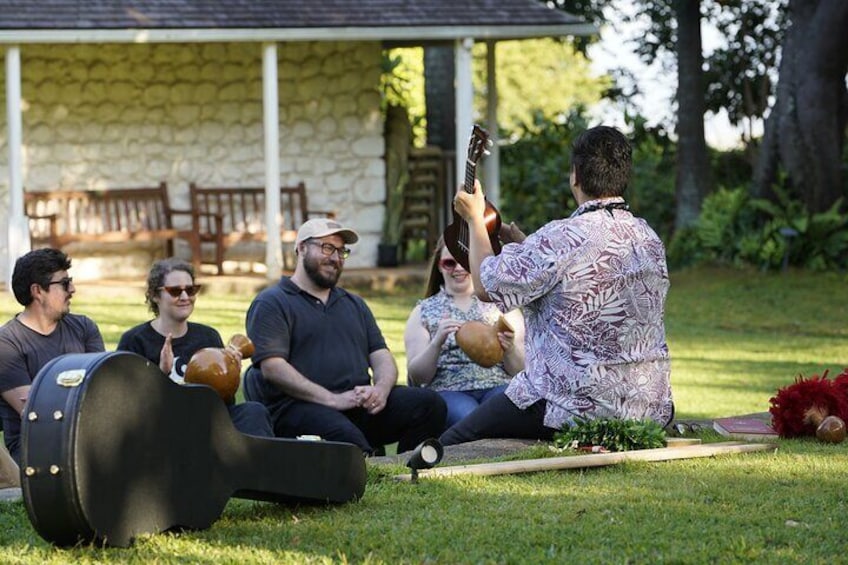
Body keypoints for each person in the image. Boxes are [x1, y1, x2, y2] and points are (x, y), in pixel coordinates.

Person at [440, 125, 674, 446]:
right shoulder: (649, 238)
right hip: (647, 407)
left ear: (575, 175)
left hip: (571, 406)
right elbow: (581, 277)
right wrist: (526, 247)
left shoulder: (561, 238)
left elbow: (484, 285)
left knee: (455, 439)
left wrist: (475, 219)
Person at [243, 218, 446, 455]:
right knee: (352, 447)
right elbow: (273, 367)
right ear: (301, 248)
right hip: (300, 407)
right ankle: (368, 461)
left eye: (341, 251)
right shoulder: (273, 302)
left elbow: (382, 357)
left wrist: (380, 390)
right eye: (327, 247)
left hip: (356, 404)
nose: (335, 257)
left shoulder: (354, 304)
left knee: (430, 405)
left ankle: (408, 467)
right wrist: (332, 399)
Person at [118, 258, 273, 437]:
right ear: (154, 295)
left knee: (254, 412)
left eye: (190, 290)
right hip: (163, 425)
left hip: (207, 421)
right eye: (175, 291)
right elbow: (127, 405)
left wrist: (230, 376)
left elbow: (224, 403)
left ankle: (258, 464)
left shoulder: (208, 336)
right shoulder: (135, 340)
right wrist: (162, 374)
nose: (185, 297)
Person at [404, 237, 525, 430]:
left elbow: (521, 371)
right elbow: (418, 376)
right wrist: (436, 343)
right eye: (450, 263)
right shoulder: (424, 311)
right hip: (449, 389)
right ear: (439, 266)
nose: (459, 268)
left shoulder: (501, 305)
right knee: (469, 417)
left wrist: (509, 349)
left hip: (497, 383)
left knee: (505, 408)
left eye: (466, 261)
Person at [0, 248, 105, 463]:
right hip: (36, 448)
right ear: (38, 291)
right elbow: (38, 415)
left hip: (89, 439)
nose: (73, 289)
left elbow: (103, 391)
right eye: (65, 283)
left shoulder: (84, 327)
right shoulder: (7, 343)